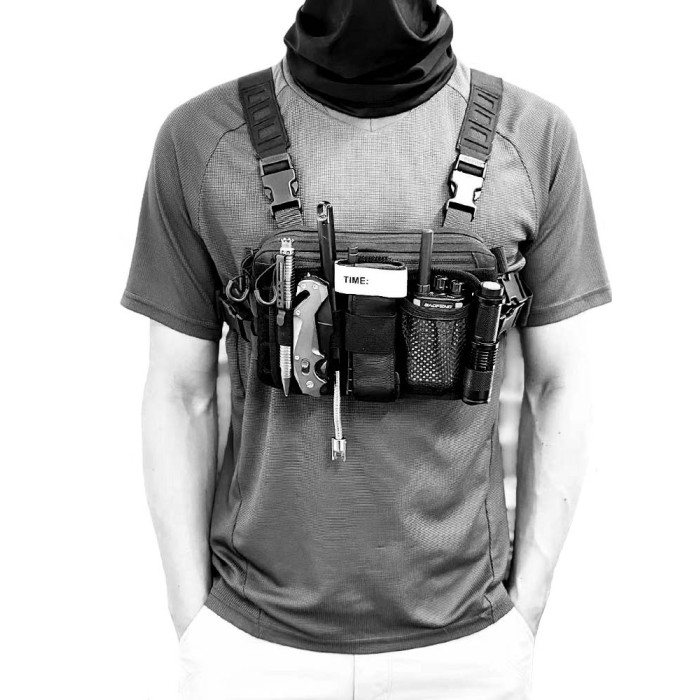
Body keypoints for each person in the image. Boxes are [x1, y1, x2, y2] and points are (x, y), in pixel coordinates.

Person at [121, 1, 612, 698]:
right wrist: (191, 619)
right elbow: (178, 391)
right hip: (251, 648)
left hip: (468, 648)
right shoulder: (199, 139)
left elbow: (561, 384)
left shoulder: (535, 137)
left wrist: (524, 612)